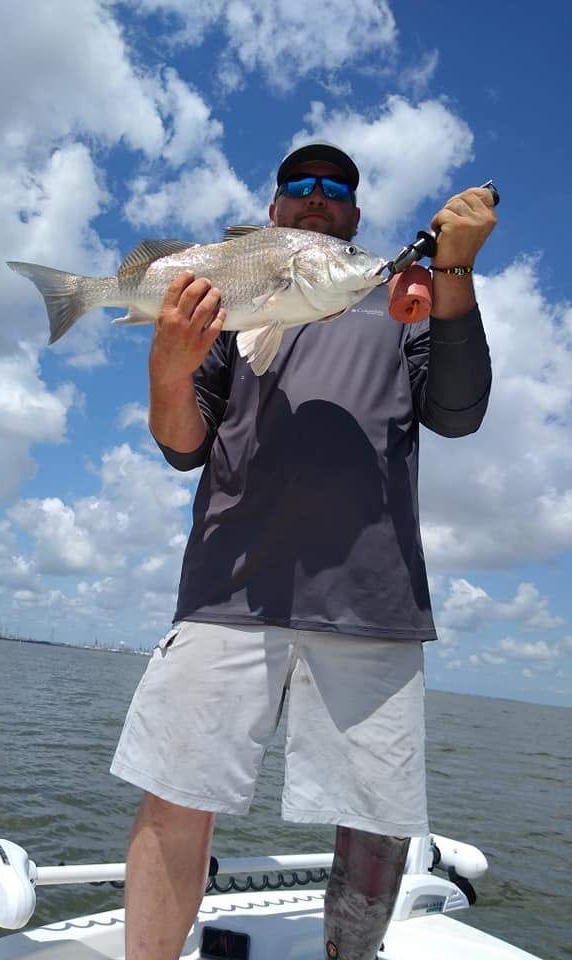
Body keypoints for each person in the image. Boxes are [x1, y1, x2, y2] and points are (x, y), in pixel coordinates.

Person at [110, 142, 496, 960]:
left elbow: (457, 413)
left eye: (337, 190)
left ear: (354, 221)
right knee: (176, 793)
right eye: (300, 186)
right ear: (275, 209)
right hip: (228, 589)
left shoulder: (406, 293)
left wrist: (454, 274)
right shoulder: (226, 299)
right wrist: (168, 367)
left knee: (377, 819)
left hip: (374, 598)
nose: (318, 196)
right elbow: (183, 446)